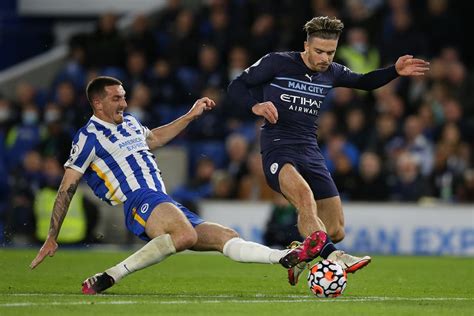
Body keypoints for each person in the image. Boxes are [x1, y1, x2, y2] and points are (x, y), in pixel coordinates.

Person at [30, 76, 290, 294]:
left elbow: (154, 139)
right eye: (116, 98)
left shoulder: (130, 122)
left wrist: (190, 116)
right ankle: (113, 275)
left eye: (124, 96)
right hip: (137, 199)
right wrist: (52, 236)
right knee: (185, 235)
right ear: (97, 103)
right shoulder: (87, 138)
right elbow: (67, 187)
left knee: (226, 237)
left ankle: (283, 257)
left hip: (161, 200)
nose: (124, 102)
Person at [227, 16, 430, 285]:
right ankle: (335, 258)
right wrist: (256, 106)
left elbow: (365, 81)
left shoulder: (331, 71)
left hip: (310, 151)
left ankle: (299, 254)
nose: (325, 58)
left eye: (330, 52)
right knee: (305, 200)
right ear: (306, 46)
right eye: (319, 51)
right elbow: (237, 85)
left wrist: (394, 70)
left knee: (335, 228)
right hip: (278, 148)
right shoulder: (277, 62)